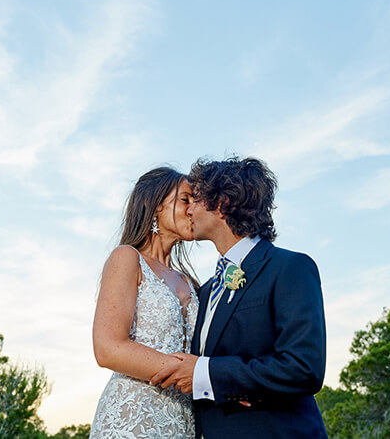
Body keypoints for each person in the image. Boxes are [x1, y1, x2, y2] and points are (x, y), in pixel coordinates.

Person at [150, 156, 327, 438]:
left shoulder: (290, 268)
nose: (189, 210)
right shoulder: (204, 291)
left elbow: (303, 368)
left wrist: (208, 374)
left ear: (222, 204)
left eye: (195, 199)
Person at [90, 167, 200, 438]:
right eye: (185, 199)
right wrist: (194, 375)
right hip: (133, 416)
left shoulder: (190, 282)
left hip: (184, 421)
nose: (192, 209)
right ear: (152, 205)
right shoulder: (127, 258)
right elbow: (108, 348)